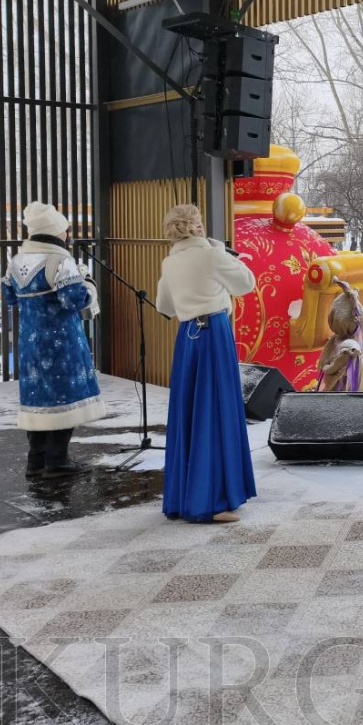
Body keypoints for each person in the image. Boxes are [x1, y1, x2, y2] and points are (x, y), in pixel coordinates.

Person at [155, 204, 257, 524]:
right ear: (198, 227)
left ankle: (185, 497)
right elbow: (246, 283)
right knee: (215, 411)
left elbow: (164, 306)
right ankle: (212, 502)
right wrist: (220, 250)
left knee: (190, 414)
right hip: (215, 332)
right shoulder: (212, 255)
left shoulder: (170, 262)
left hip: (187, 337)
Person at [0, 201, 104, 478]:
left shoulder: (16, 261)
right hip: (62, 344)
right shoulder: (60, 261)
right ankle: (57, 461)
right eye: (65, 230)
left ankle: (35, 461)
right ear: (56, 232)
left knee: (38, 400)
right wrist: (87, 282)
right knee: (63, 399)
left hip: (30, 344)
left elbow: (9, 296)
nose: (67, 234)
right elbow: (74, 301)